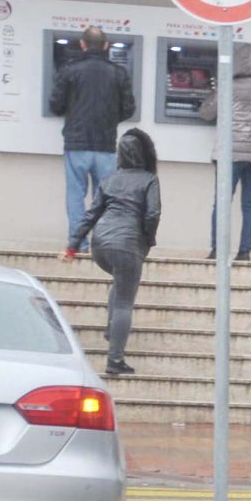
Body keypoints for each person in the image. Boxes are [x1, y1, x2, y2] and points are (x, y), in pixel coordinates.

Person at [66, 126, 160, 380]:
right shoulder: (149, 179)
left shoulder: (108, 180)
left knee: (120, 283)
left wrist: (73, 245)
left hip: (101, 245)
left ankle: (112, 330)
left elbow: (91, 214)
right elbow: (152, 213)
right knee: (124, 301)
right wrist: (148, 240)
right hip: (127, 244)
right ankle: (115, 359)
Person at [49, 27, 137, 241]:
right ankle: (102, 241)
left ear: (82, 44)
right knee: (105, 197)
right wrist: (109, 121)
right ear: (106, 46)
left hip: (76, 143)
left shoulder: (69, 70)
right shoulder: (119, 73)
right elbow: (129, 108)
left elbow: (55, 105)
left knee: (75, 195)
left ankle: (78, 242)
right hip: (106, 145)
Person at [198, 41, 251, 263]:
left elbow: (206, 113)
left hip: (229, 153)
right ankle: (244, 253)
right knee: (250, 204)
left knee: (222, 202)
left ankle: (217, 250)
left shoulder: (227, 84)